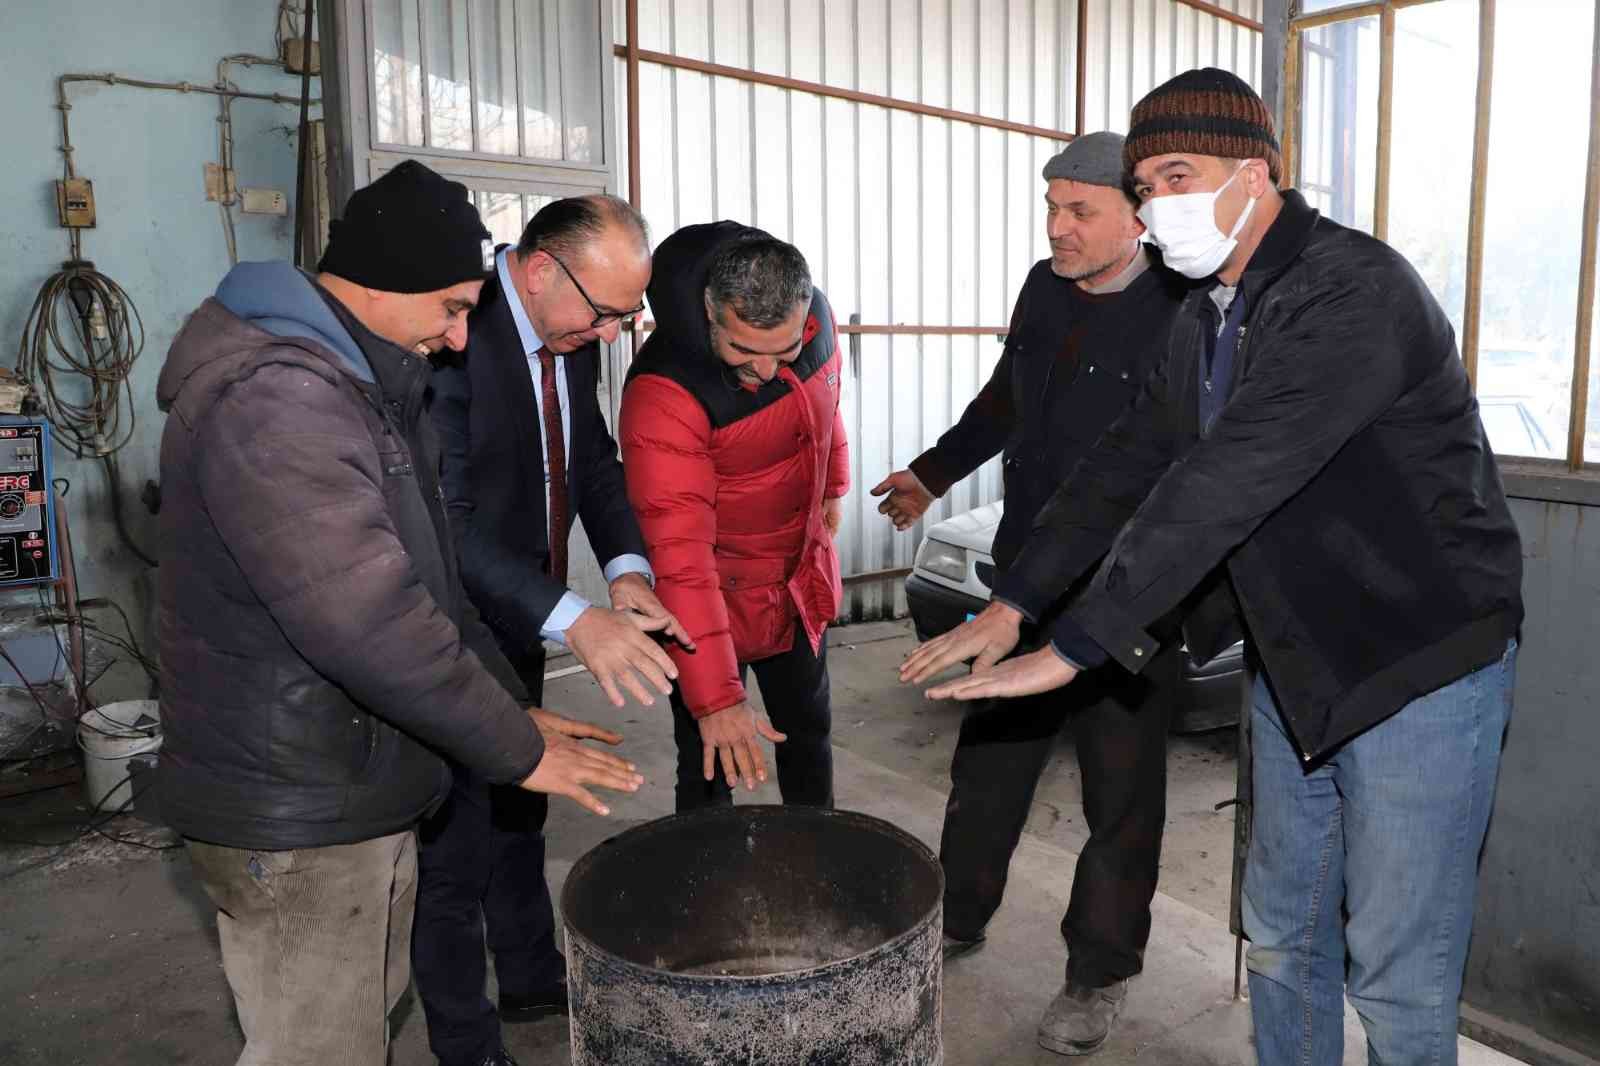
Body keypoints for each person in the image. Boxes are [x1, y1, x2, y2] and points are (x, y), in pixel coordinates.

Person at [901, 68, 1523, 1066]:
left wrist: (1080, 643)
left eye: (1176, 175)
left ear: (1255, 173)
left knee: (1396, 977)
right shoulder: (1205, 313)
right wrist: (1015, 601)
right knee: (1280, 937)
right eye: (1145, 185)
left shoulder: (1350, 292)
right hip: (1299, 660)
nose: (1158, 204)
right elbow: (1122, 465)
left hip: (1417, 664)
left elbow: (1227, 479)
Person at [154, 160, 642, 1066]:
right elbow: (370, 621)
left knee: (356, 1019)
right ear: (382, 284)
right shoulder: (280, 401)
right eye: (457, 308)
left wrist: (511, 710)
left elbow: (432, 583)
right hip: (293, 798)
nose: (463, 338)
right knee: (317, 1043)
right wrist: (518, 749)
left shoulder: (363, 383)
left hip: (351, 769)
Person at [872, 131, 1193, 1056]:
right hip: (1024, 584)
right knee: (987, 771)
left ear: (1137, 214)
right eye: (1051, 206)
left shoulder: (1183, 308)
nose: (1057, 227)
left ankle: (1097, 976)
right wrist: (933, 474)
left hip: (1127, 596)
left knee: (1121, 797)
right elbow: (1006, 399)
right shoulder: (1044, 289)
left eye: (1078, 210)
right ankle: (955, 918)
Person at [415, 195, 690, 1066]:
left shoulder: (563, 338)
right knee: (453, 854)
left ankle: (533, 975)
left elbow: (594, 464)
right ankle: (467, 1041)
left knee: (521, 807)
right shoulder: (452, 343)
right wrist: (579, 622)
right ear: (541, 272)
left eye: (627, 316)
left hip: (518, 616)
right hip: (447, 631)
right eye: (607, 314)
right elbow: (446, 530)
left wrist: (628, 575)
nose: (614, 335)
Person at [619, 223, 848, 810]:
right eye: (744, 351)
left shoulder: (812, 317)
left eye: (786, 351)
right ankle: (702, 885)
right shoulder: (664, 393)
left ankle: (816, 859)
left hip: (795, 584)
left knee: (809, 734)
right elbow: (681, 560)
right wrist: (717, 699)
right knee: (710, 760)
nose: (768, 371)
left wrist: (834, 487)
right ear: (709, 316)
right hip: (709, 601)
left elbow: (825, 403)